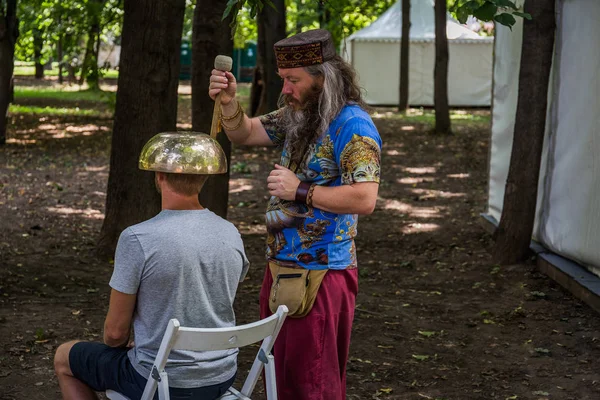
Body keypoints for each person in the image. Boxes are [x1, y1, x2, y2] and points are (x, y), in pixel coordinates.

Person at [209, 29, 381, 399]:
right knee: (282, 379)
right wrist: (227, 102)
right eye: (283, 80)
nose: (285, 89)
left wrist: (300, 190)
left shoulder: (353, 125)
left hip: (322, 275)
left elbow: (365, 198)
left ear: (324, 79)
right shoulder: (299, 114)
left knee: (311, 386)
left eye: (293, 80)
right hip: (282, 269)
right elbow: (246, 132)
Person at [54, 134, 249, 400]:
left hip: (160, 380)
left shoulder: (137, 238)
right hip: (220, 375)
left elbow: (114, 334)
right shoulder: (230, 232)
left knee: (64, 357)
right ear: (204, 178)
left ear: (159, 176)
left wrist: (134, 342)